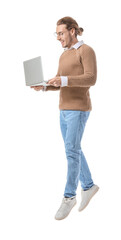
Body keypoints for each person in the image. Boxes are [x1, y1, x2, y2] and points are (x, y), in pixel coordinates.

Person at [31, 16, 99, 220]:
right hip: (64, 109)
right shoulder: (64, 55)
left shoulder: (86, 51)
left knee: (72, 151)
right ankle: (88, 186)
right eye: (57, 34)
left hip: (79, 109)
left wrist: (64, 79)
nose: (58, 37)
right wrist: (44, 85)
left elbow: (91, 78)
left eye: (61, 33)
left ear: (72, 31)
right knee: (73, 149)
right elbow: (60, 82)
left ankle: (69, 197)